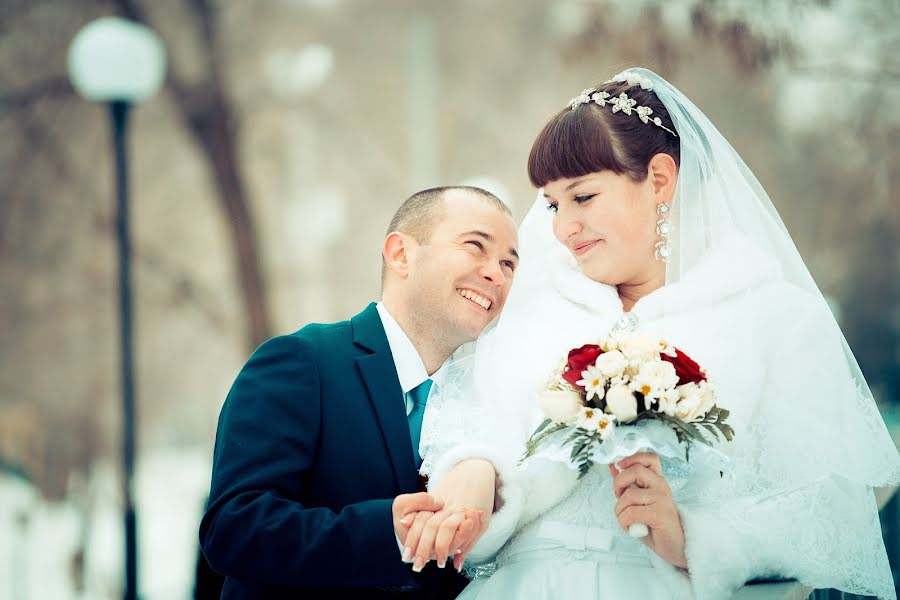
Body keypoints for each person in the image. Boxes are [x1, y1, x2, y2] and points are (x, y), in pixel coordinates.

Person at [402, 69, 900, 599]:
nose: (562, 227)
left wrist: (692, 537)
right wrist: (478, 473)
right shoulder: (529, 308)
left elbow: (826, 512)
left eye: (583, 197)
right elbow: (469, 425)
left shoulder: (774, 316)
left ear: (660, 179)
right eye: (552, 204)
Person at [199, 186, 519, 599]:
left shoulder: (490, 407)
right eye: (476, 246)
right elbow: (234, 528)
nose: (497, 273)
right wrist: (387, 532)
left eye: (510, 263)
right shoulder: (302, 362)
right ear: (400, 254)